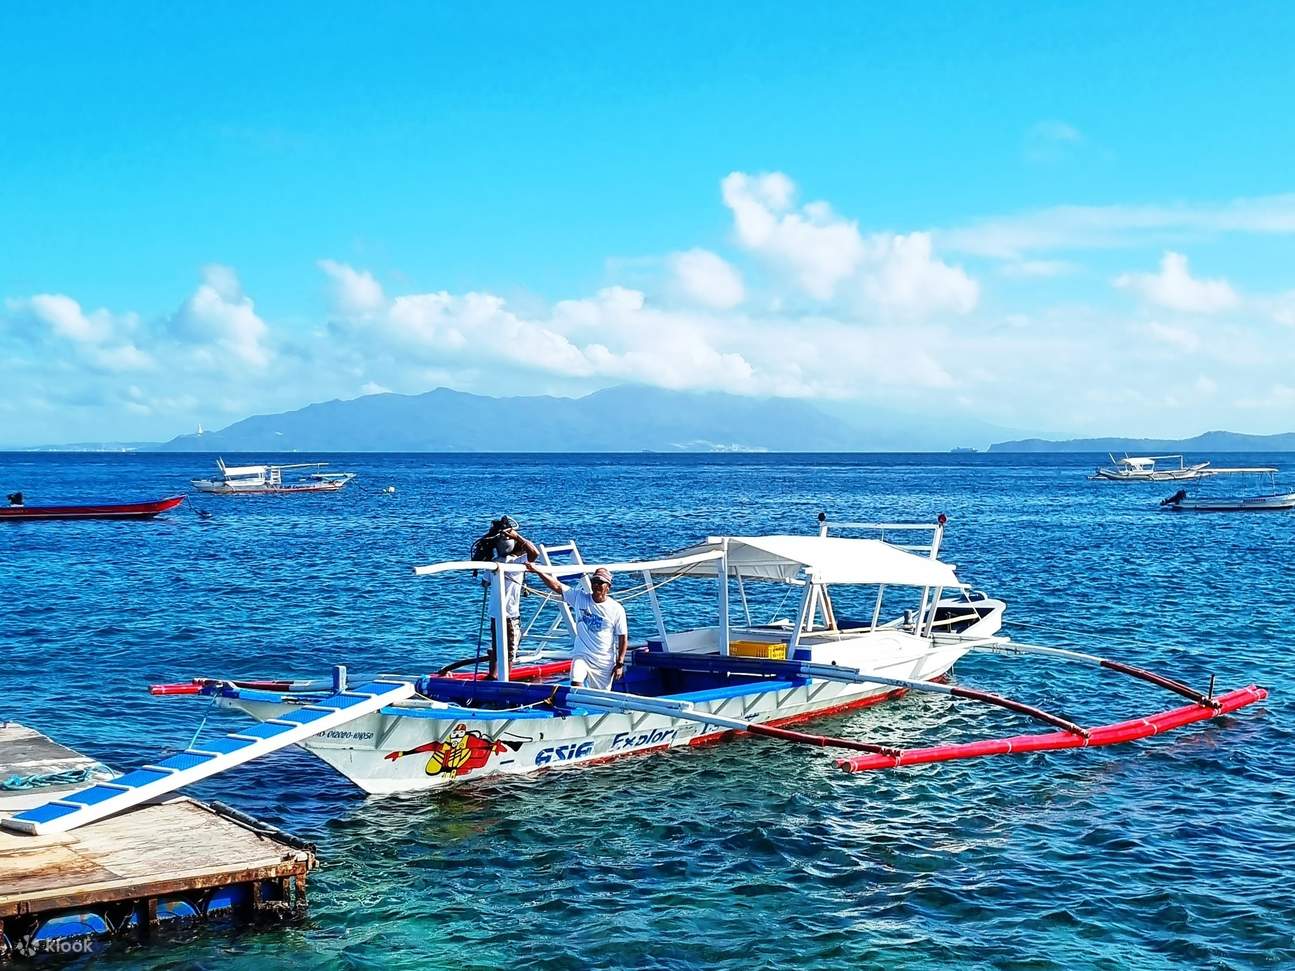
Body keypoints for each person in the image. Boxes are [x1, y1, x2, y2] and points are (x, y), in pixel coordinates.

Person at [527, 564, 627, 689]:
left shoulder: (617, 609)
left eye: (600, 582)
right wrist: (538, 571)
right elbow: (557, 586)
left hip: (604, 661)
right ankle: (578, 707)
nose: (596, 585)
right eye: (594, 581)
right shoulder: (579, 597)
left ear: (608, 587)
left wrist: (620, 663)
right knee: (576, 680)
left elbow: (623, 637)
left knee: (601, 696)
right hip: (582, 654)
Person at [481, 517, 539, 679]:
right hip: (509, 613)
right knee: (510, 648)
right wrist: (517, 537)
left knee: (499, 643)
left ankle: (494, 675)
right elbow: (534, 552)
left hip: (496, 612)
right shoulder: (516, 561)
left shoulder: (502, 562)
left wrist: (516, 536)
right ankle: (502, 677)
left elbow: (484, 583)